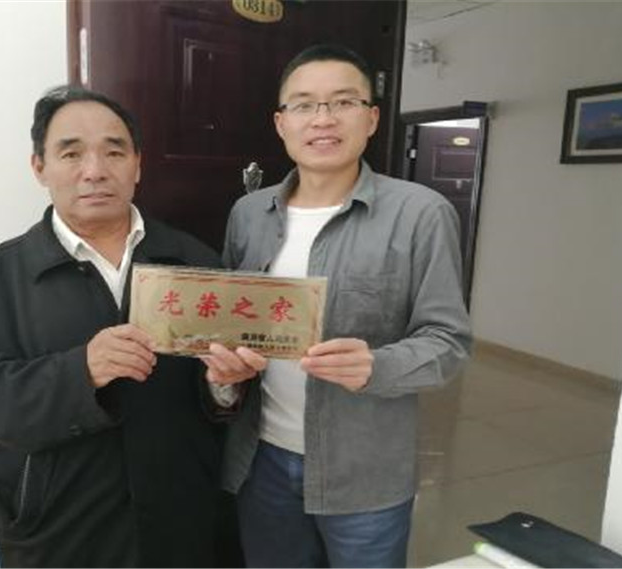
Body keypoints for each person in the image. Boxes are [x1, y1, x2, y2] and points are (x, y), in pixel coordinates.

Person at [0, 86, 253, 568]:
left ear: (137, 165)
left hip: (181, 526)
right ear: (39, 167)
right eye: (71, 153)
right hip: (58, 535)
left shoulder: (196, 265)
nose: (95, 170)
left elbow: (224, 394)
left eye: (114, 152)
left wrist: (225, 386)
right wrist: (79, 372)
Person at [201, 44, 473, 568]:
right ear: (281, 123)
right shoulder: (249, 213)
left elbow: (449, 342)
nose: (323, 119)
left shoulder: (421, 213)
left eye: (343, 102)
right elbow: (230, 323)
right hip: (261, 460)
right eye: (304, 104)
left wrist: (378, 365)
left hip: (365, 470)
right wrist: (225, 373)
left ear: (371, 118)